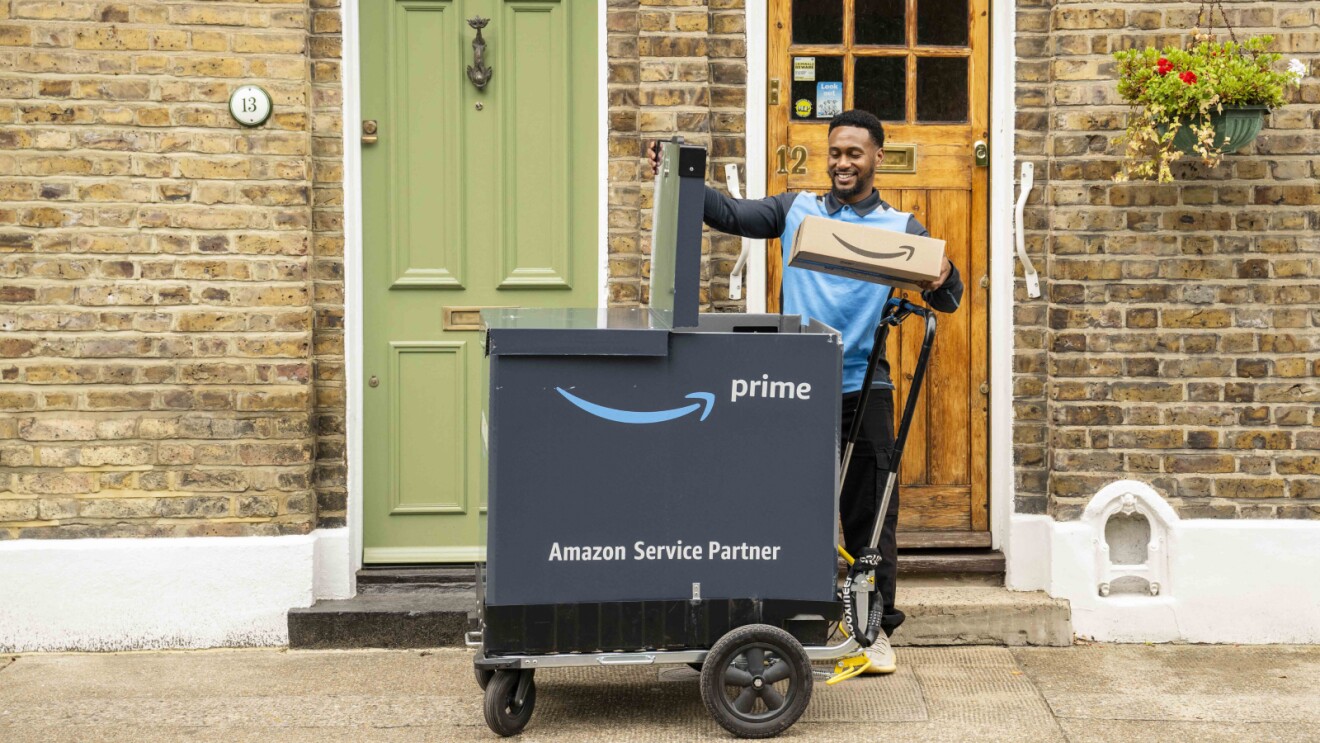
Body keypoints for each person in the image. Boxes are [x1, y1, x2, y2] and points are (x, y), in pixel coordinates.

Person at [647, 109, 964, 674]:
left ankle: (872, 631)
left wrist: (943, 278)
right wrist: (678, 175)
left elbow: (949, 297)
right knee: (781, 508)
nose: (843, 163)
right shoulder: (797, 209)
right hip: (795, 386)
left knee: (870, 516)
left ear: (877, 159)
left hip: (866, 386)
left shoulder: (903, 227)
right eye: (836, 153)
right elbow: (730, 213)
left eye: (855, 154)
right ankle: (784, 620)